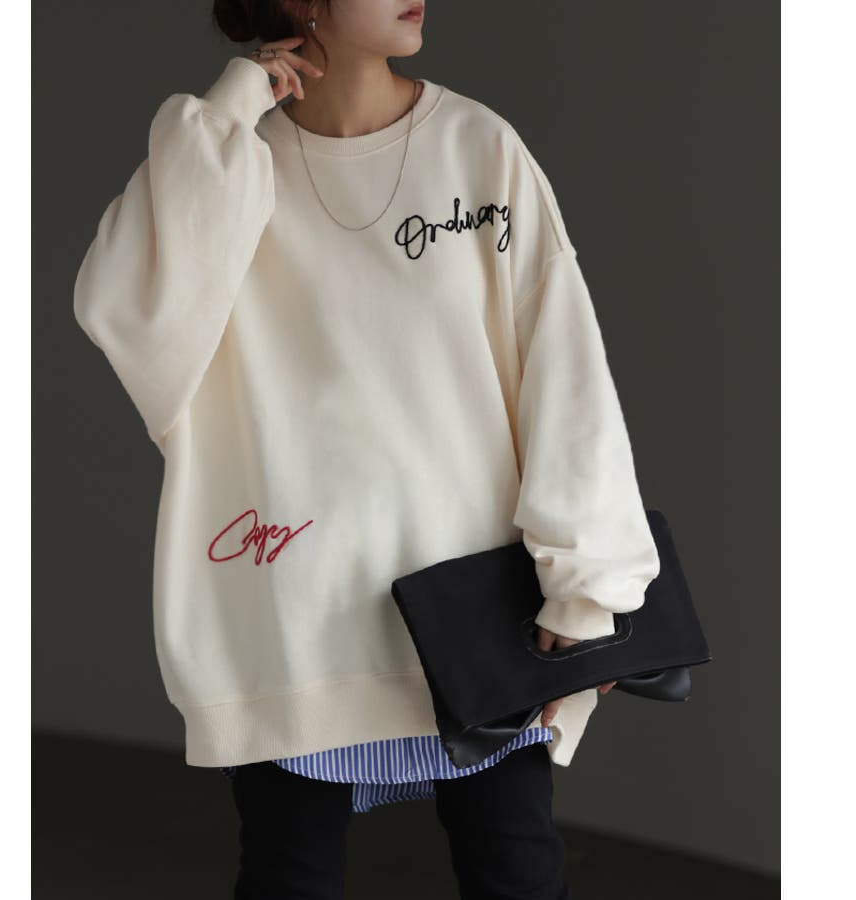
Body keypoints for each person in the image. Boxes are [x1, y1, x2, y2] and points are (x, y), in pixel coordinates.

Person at [72, 1, 660, 897]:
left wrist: (588, 588)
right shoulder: (228, 168)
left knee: (515, 871)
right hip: (293, 614)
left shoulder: (477, 147)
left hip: (479, 610)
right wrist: (228, 110)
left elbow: (564, 371)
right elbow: (123, 308)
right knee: (289, 876)